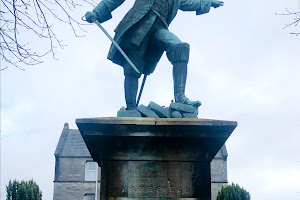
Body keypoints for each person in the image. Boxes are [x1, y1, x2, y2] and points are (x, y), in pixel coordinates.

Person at [85, 0, 224, 110]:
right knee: (133, 66)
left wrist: (208, 3)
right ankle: (131, 108)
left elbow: (189, 3)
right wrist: (97, 12)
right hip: (140, 25)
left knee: (180, 48)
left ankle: (180, 96)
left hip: (159, 28)